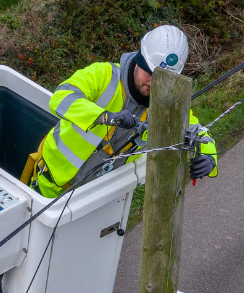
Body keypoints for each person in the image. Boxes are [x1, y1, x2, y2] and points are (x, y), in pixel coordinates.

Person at [29, 25, 219, 198]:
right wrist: (104, 117)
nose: (153, 83)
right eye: (149, 74)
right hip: (51, 187)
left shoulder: (168, 105)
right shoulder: (103, 75)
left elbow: (198, 132)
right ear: (139, 62)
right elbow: (60, 97)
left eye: (163, 79)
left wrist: (209, 157)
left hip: (99, 198)